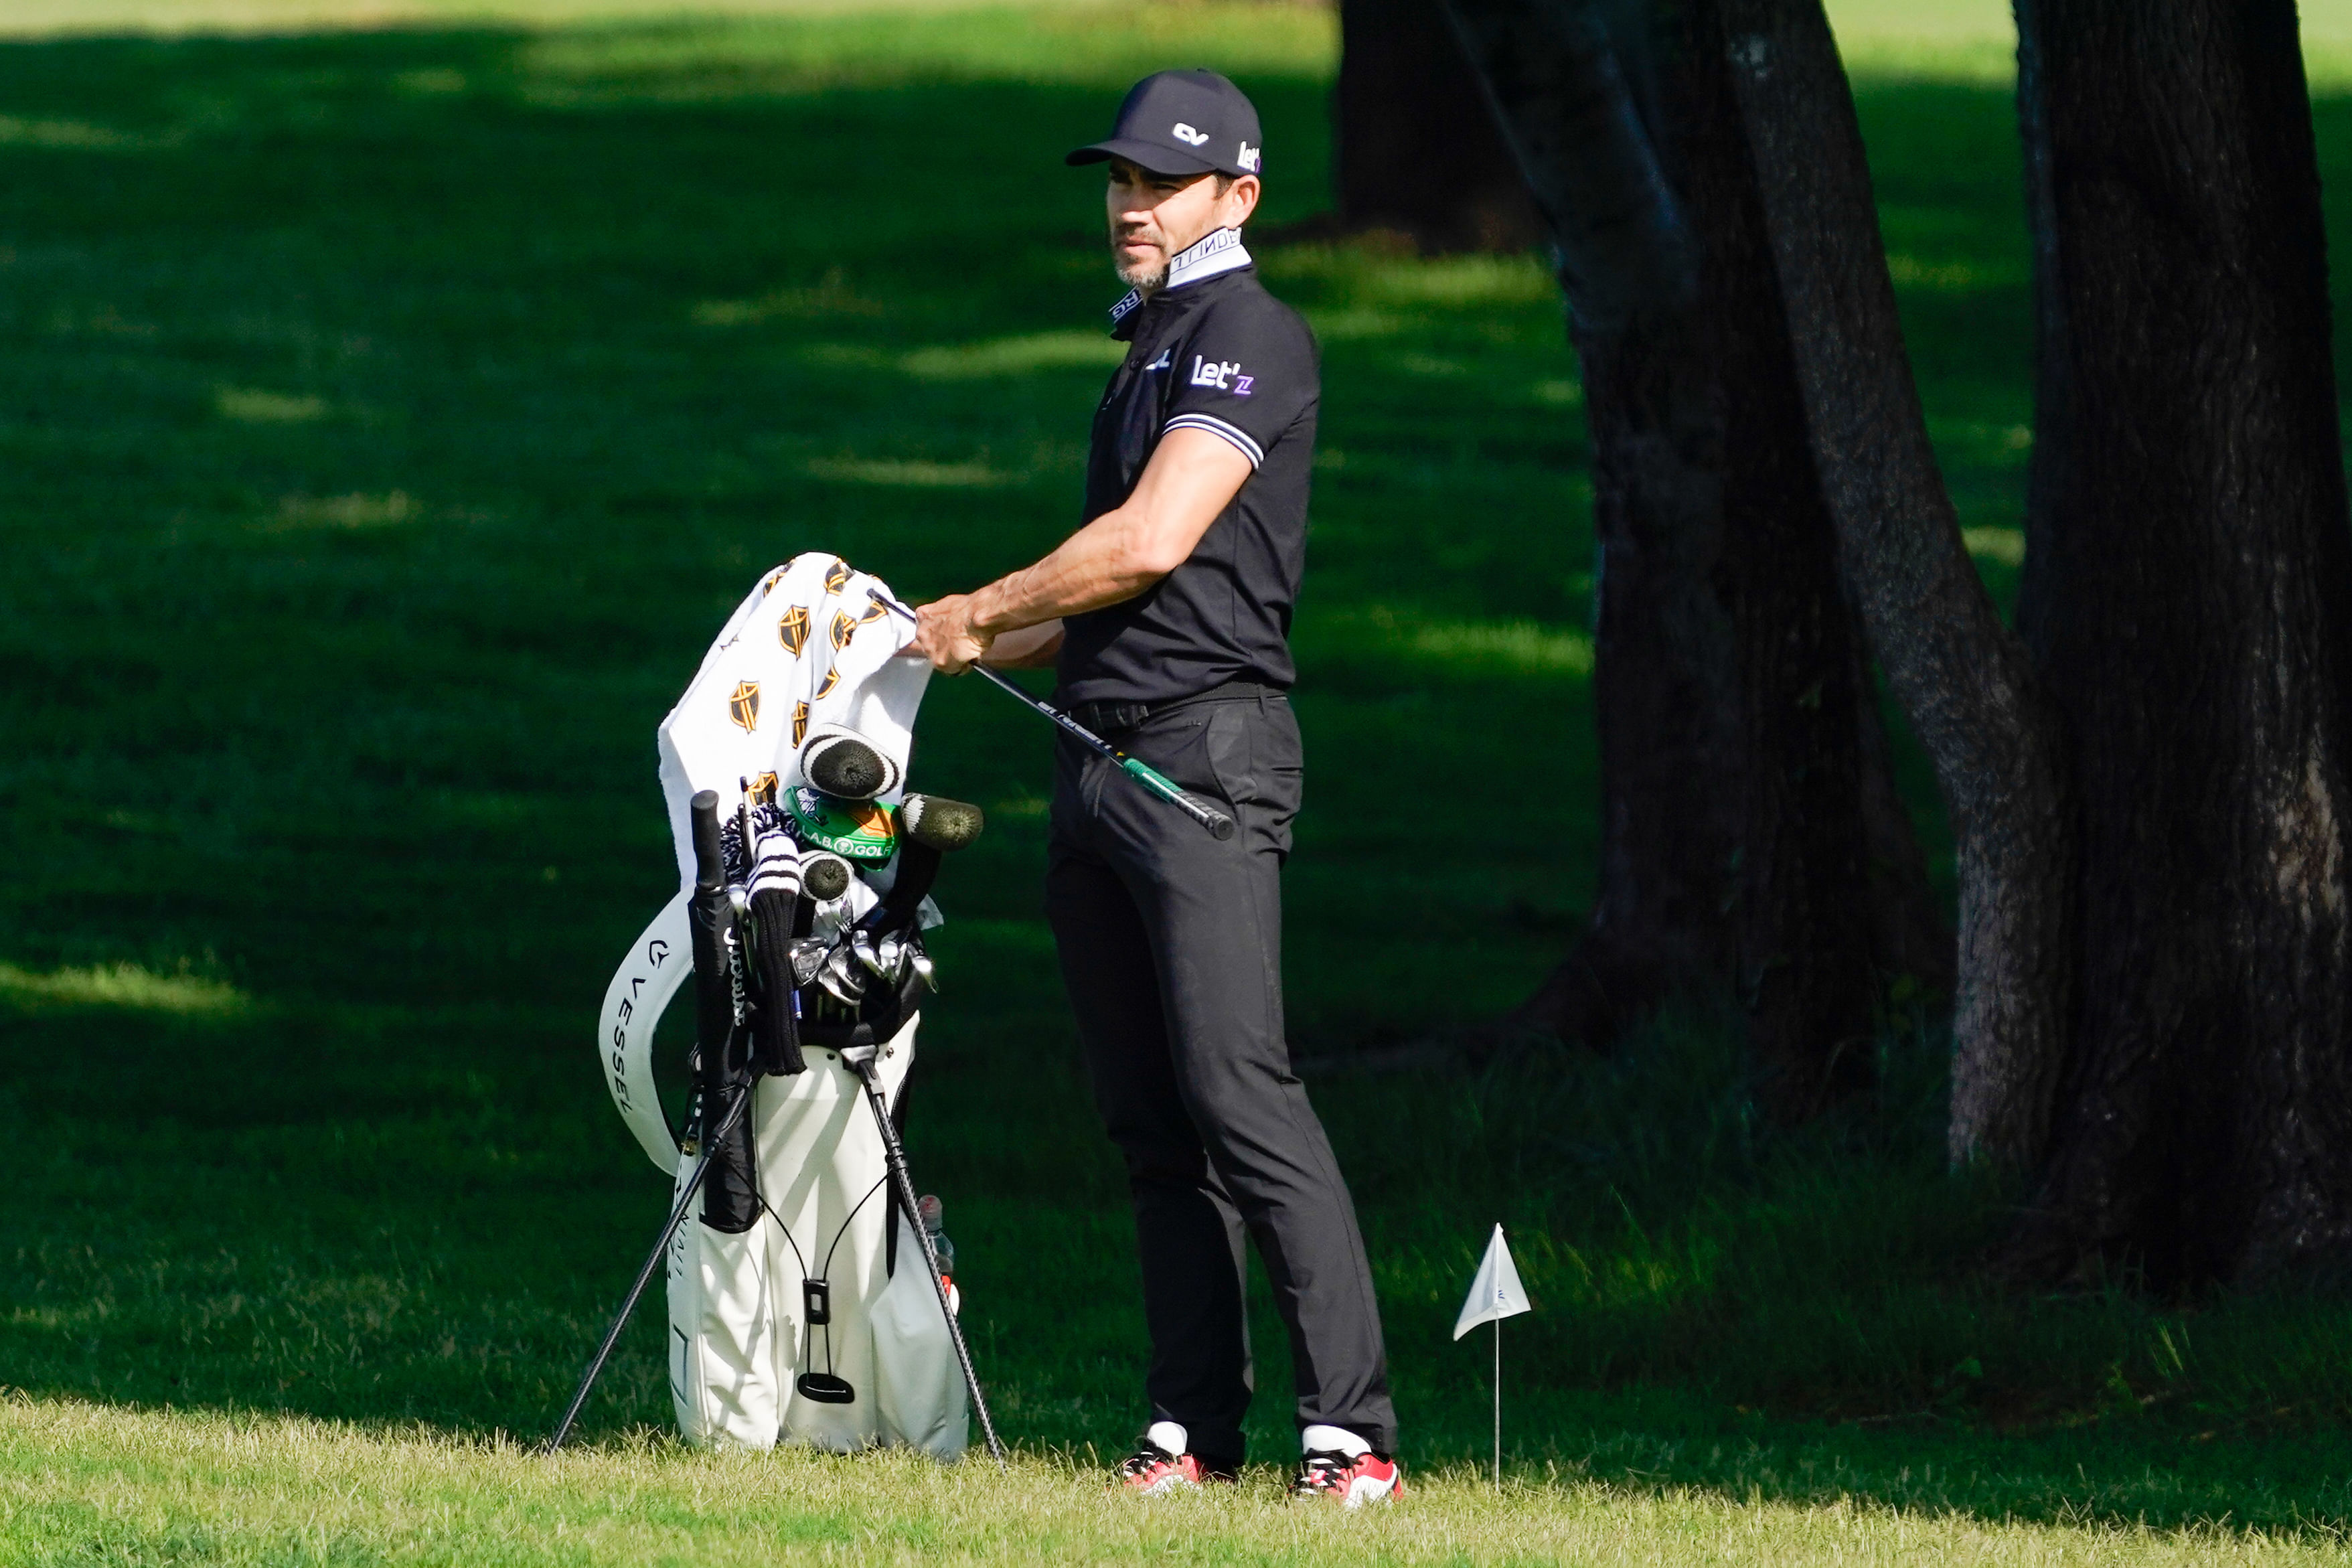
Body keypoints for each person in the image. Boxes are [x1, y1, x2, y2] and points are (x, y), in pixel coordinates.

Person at [910, 69, 1401, 1506]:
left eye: (1159, 183)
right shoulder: (1151, 343)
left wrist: (982, 603)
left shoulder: (1250, 333)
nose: (1128, 205)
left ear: (1234, 198)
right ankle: (1191, 1423)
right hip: (1097, 756)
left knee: (1240, 1093)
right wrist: (963, 633)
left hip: (1203, 759)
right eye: (1117, 180)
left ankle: (1351, 1433)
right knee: (1147, 1122)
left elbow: (1147, 542)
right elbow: (1105, 601)